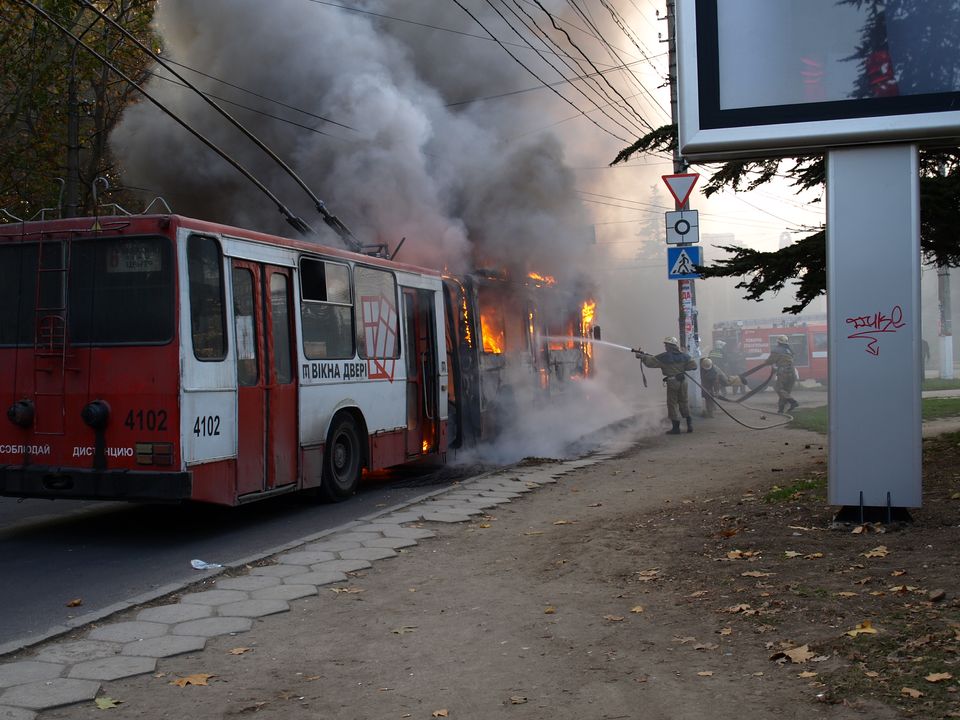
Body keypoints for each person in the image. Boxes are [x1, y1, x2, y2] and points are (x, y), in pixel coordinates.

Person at [635, 336, 697, 434]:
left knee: (672, 404)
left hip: (673, 382)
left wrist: (642, 357)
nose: (665, 346)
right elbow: (693, 366)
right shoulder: (684, 356)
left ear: (669, 345)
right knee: (683, 401)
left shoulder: (664, 357)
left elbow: (651, 362)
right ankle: (689, 425)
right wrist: (682, 369)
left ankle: (676, 428)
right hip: (683, 381)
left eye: (665, 344)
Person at [752, 334, 799, 414]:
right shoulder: (790, 350)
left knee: (778, 389)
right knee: (785, 392)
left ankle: (793, 401)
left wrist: (765, 363)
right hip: (792, 371)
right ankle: (781, 410)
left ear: (778, 342)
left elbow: (770, 361)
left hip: (783, 372)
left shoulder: (776, 350)